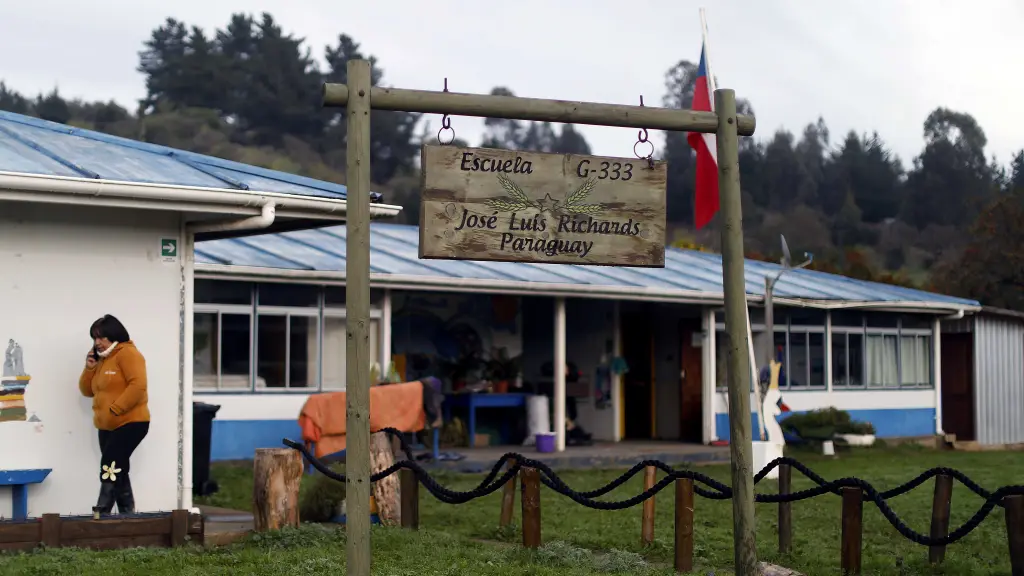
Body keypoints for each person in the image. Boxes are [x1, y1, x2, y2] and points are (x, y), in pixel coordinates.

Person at [78, 315, 149, 515]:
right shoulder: (103, 359)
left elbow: (138, 386)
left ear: (114, 335)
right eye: (94, 338)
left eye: (101, 338)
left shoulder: (129, 354)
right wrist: (90, 368)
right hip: (106, 426)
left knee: (109, 466)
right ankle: (127, 514)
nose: (97, 343)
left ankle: (102, 511)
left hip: (131, 422)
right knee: (118, 469)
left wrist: (116, 409)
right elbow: (87, 390)